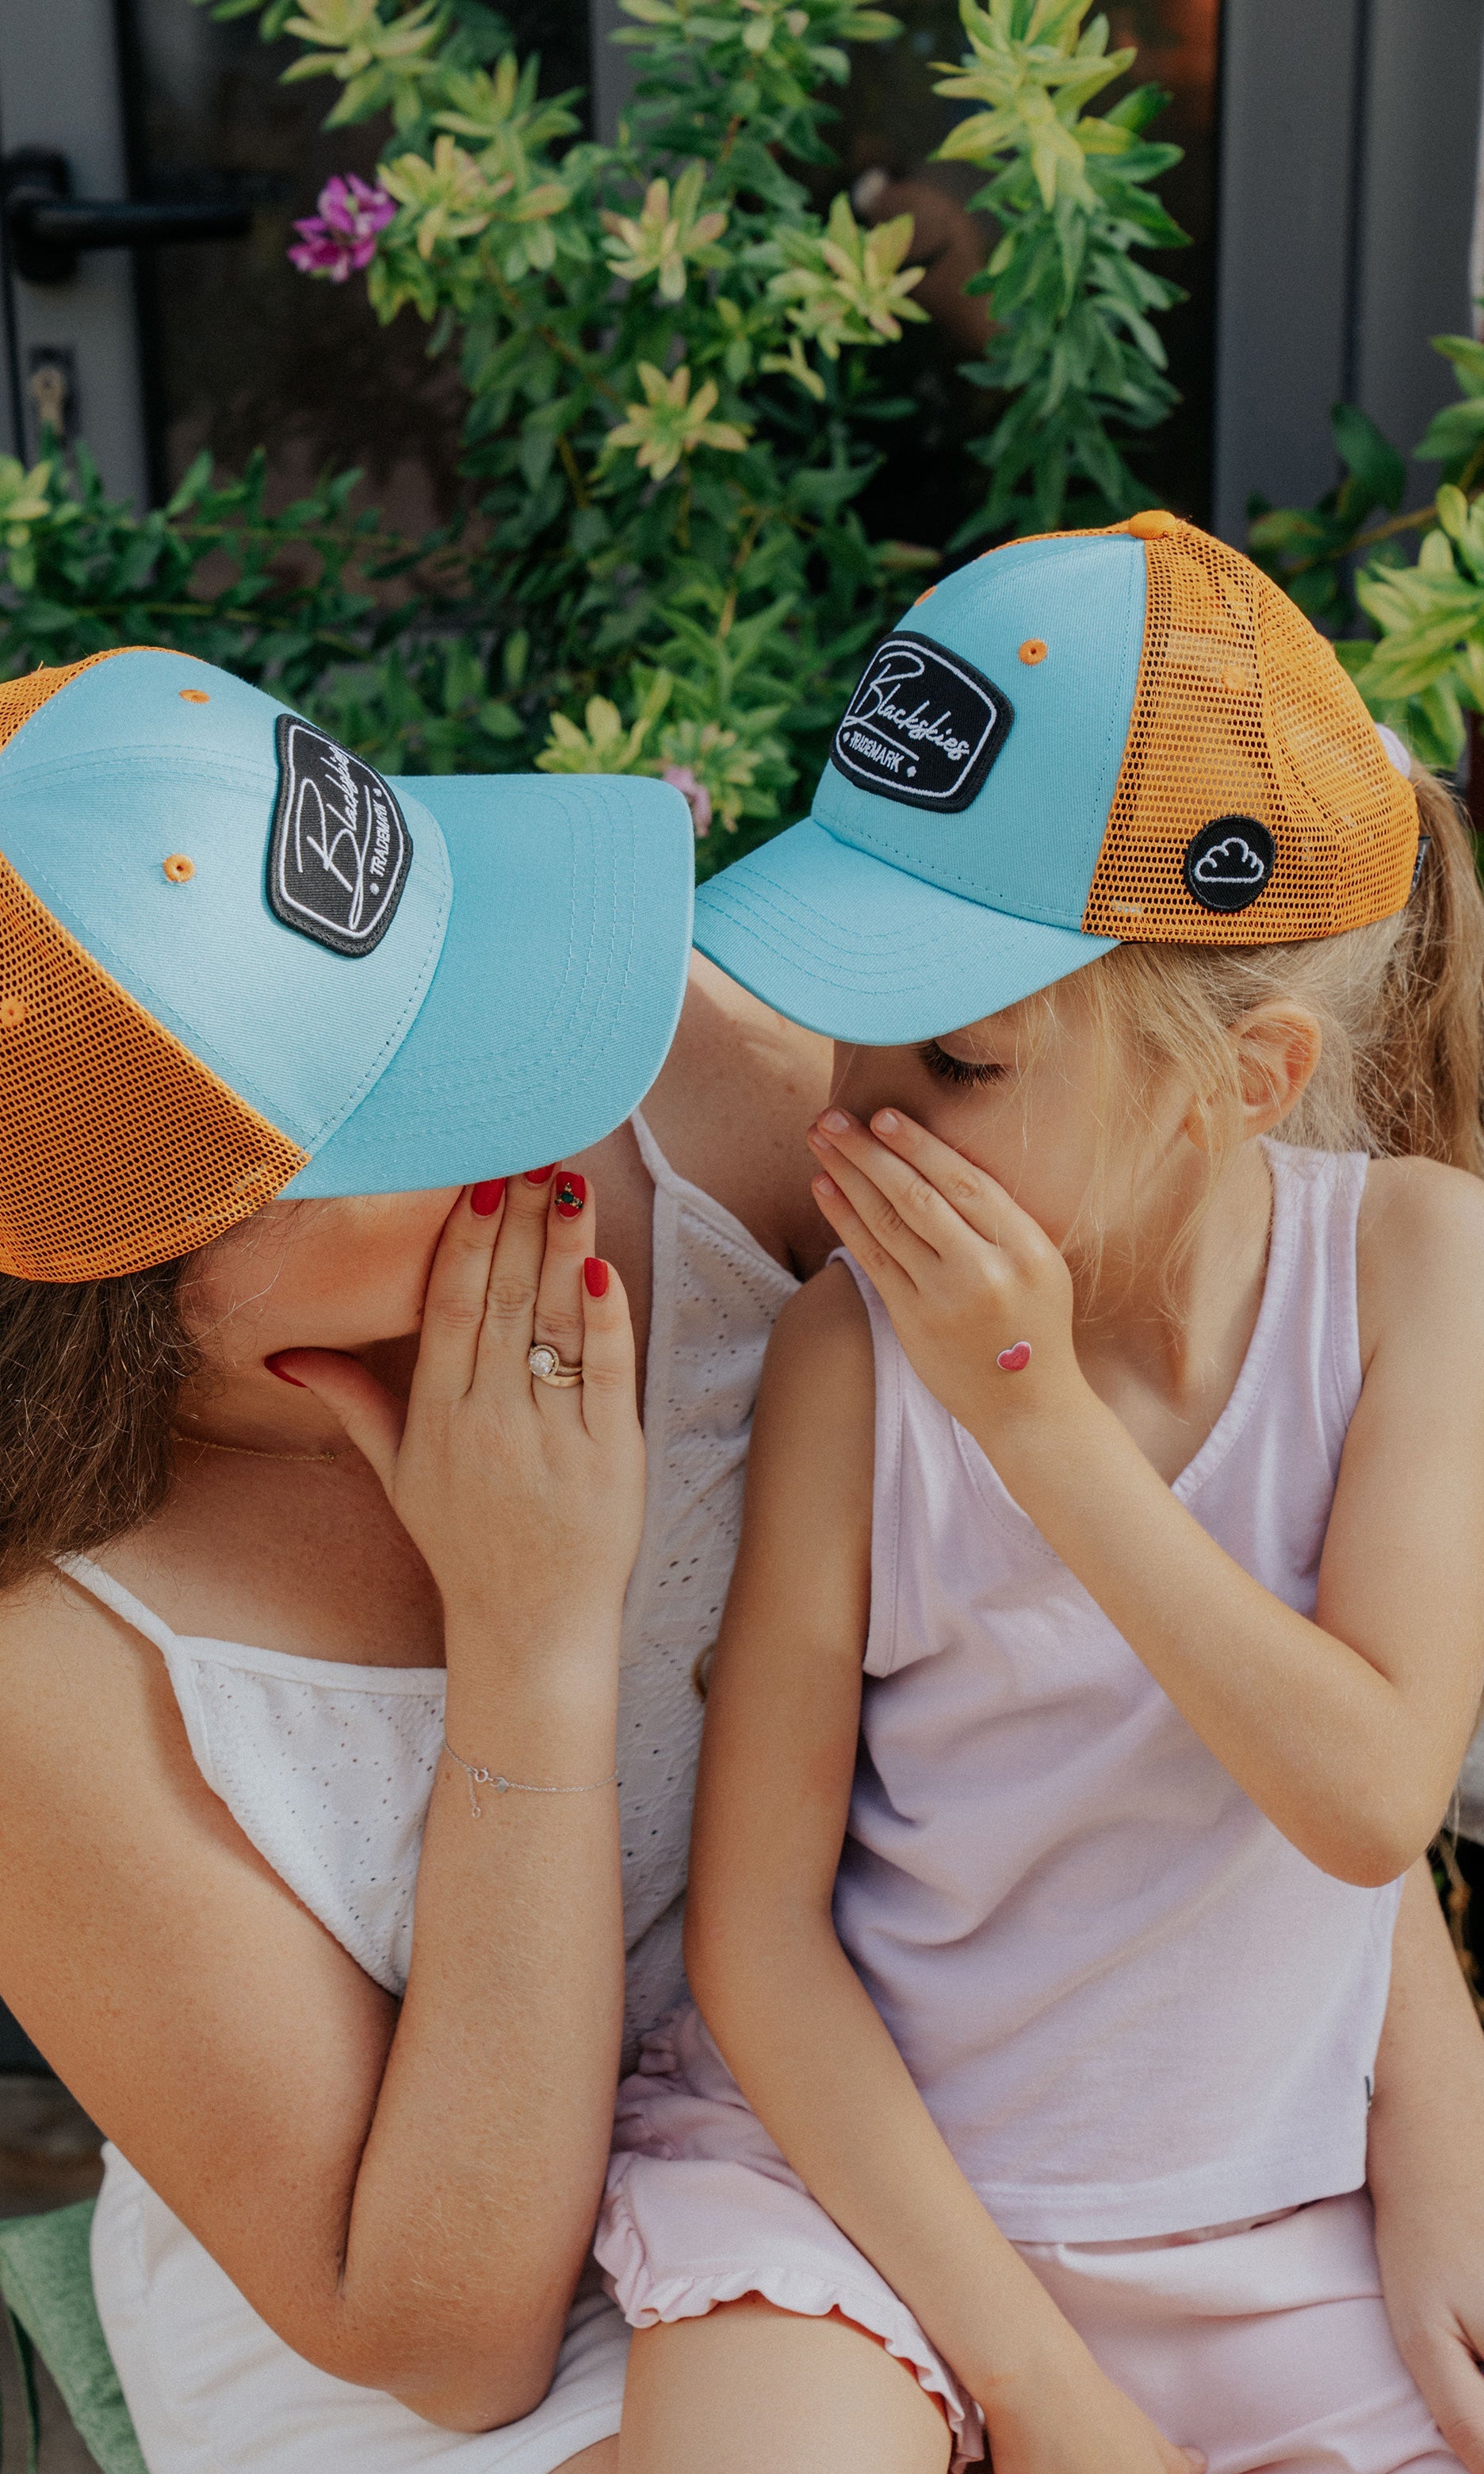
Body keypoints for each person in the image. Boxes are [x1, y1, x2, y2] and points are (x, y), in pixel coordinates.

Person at [0, 623, 1478, 2474]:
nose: (559, 1076)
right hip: (471, 2295)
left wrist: (1436, 2111)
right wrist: (531, 1648)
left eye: (472, 977)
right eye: (440, 1090)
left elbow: (1179, 1591)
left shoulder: (704, 1101)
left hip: (959, 2098)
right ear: (174, 1274)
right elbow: (451, 2342)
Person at [597, 513, 1484, 2474]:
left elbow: (1364, 1798)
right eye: (846, 1018)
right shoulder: (852, 1361)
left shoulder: (1421, 1274)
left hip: (1273, 2223)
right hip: (855, 2204)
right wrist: (1049, 2400)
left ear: (1242, 1083)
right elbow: (758, 1940)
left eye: (963, 1059)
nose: (852, 1113)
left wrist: (1037, 1420)